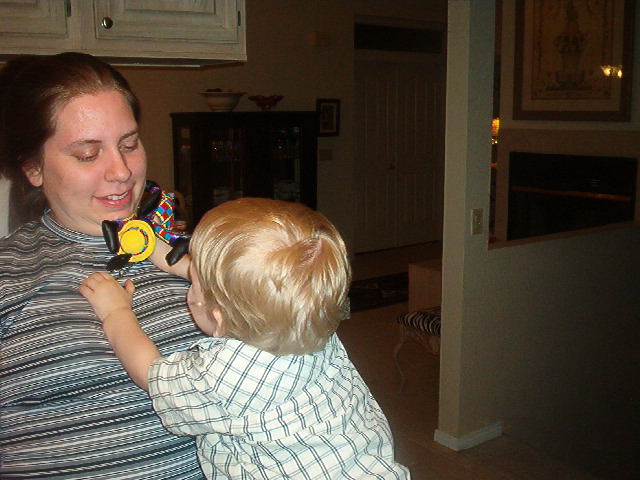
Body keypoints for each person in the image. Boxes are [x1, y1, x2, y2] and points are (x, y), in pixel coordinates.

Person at [80, 197, 411, 480]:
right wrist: (157, 249)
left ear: (218, 319)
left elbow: (149, 371)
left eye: (195, 282)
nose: (190, 280)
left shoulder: (222, 377)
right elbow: (234, 284)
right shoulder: (311, 321)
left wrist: (115, 312)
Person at [0, 52, 204, 479]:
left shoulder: (200, 255)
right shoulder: (9, 273)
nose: (122, 171)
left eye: (129, 145)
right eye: (88, 154)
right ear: (33, 167)